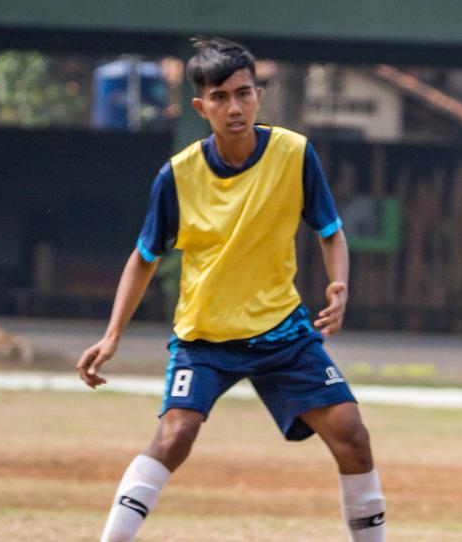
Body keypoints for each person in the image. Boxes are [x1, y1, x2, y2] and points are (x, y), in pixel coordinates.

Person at [77, 37, 385, 542]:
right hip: (205, 339)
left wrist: (340, 287)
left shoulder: (295, 154)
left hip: (282, 332)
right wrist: (111, 337)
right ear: (201, 107)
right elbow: (144, 258)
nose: (234, 107)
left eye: (243, 93)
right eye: (220, 97)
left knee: (352, 437)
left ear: (258, 95)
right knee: (175, 436)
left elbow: (330, 231)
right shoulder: (177, 176)